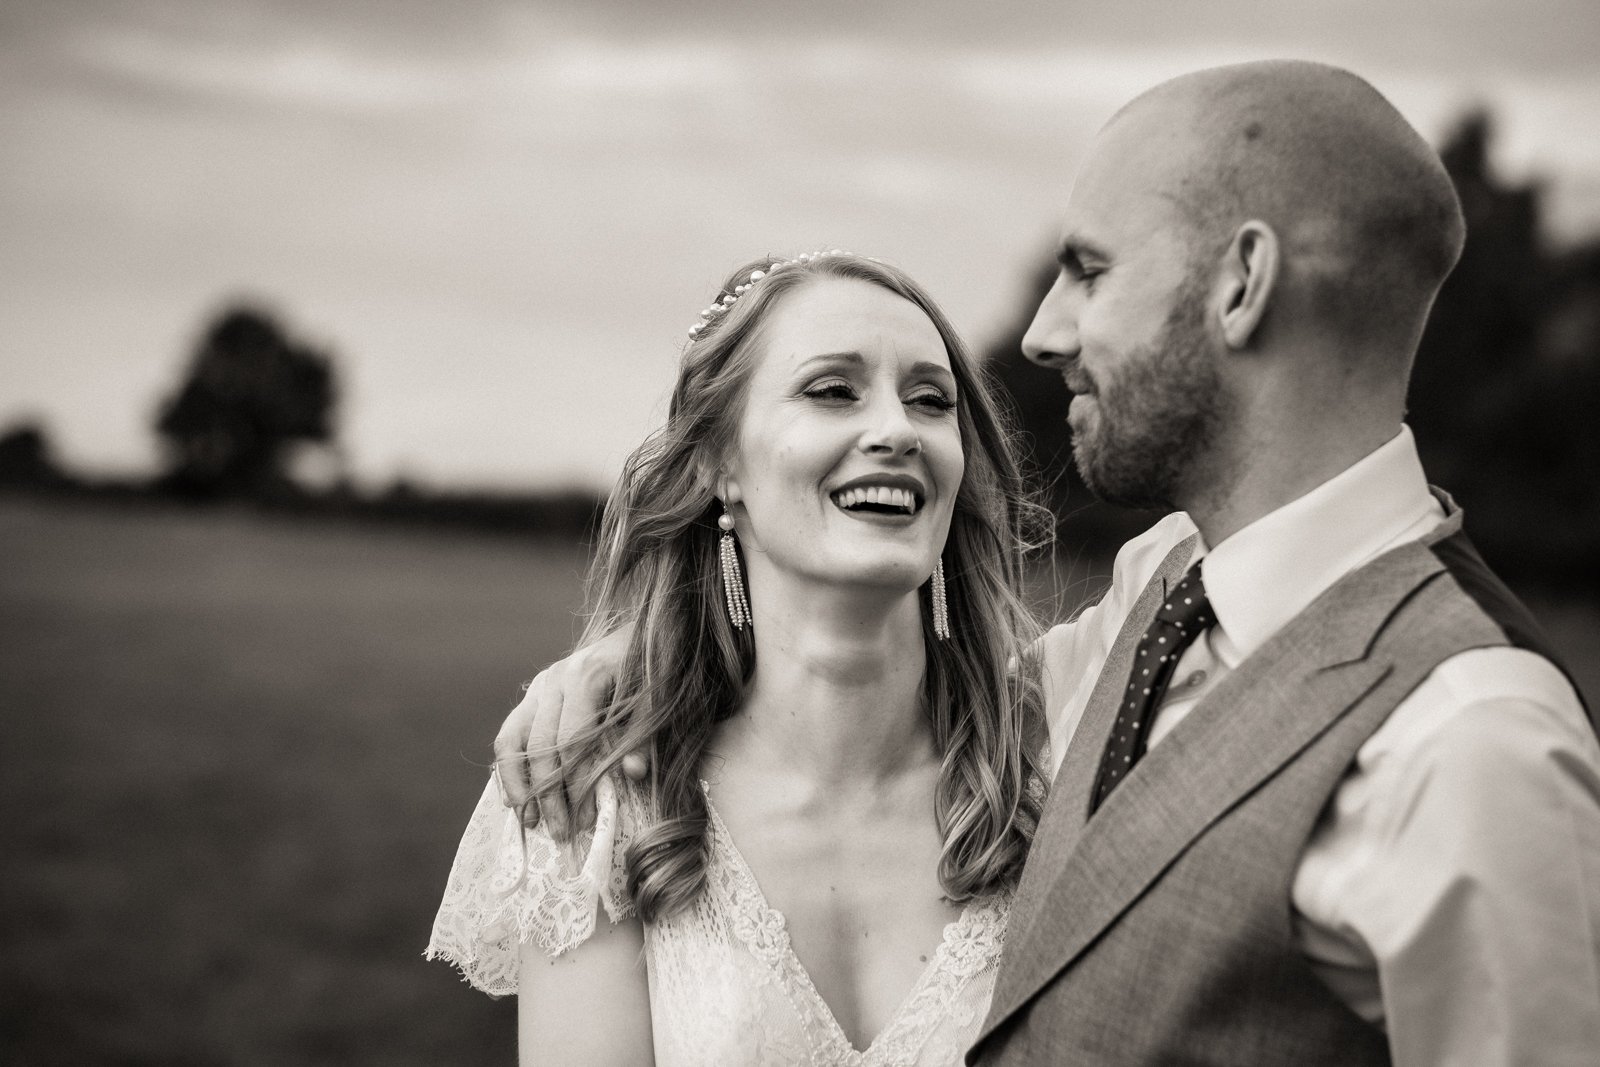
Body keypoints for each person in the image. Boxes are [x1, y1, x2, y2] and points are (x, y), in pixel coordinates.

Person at [489, 60, 1600, 1065]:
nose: (1040, 333)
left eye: (1088, 268)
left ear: (1240, 281)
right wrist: (632, 665)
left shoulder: (1470, 735)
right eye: (833, 387)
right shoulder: (1165, 595)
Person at [428, 249, 1060, 1065]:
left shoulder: (1057, 759)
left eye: (931, 401)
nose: (898, 430)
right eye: (833, 390)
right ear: (717, 465)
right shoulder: (605, 802)